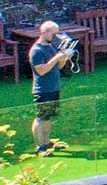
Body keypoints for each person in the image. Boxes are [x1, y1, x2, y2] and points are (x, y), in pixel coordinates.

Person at [27, 18, 78, 152]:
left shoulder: (51, 47)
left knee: (48, 116)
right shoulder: (36, 51)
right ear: (44, 32)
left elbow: (58, 67)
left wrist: (64, 57)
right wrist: (56, 57)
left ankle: (47, 142)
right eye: (53, 34)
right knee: (41, 117)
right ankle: (39, 146)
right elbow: (41, 70)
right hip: (42, 89)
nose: (56, 37)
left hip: (54, 87)